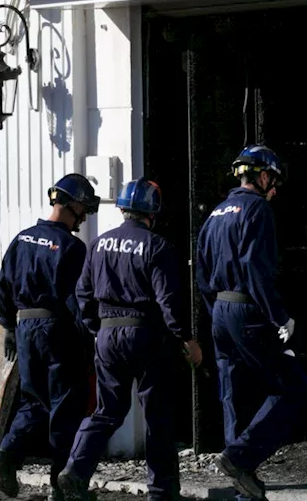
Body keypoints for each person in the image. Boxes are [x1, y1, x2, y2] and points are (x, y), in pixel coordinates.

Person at [57, 178, 203, 501]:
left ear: (123, 208)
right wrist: (186, 339)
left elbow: (83, 293)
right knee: (157, 415)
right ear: (153, 211)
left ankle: (75, 471)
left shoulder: (98, 244)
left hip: (108, 336)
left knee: (107, 411)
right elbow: (169, 303)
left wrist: (98, 328)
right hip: (146, 337)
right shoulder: (158, 246)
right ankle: (161, 491)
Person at [194, 145, 307, 501]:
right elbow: (255, 268)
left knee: (234, 394)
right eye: (273, 181)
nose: (274, 189)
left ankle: (241, 480)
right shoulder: (257, 209)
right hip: (247, 310)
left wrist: (216, 313)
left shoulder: (215, 214)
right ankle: (239, 457)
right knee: (292, 388)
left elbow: (201, 275)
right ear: (262, 176)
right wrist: (280, 316)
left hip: (219, 311)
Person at [0, 173, 100, 500]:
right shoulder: (71, 247)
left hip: (25, 330)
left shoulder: (22, 239)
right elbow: (77, 300)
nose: (83, 217)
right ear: (74, 204)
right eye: (83, 210)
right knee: (67, 405)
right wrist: (89, 341)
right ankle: (61, 486)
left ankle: (7, 453)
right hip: (57, 331)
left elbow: (3, 286)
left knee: (33, 400)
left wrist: (9, 326)